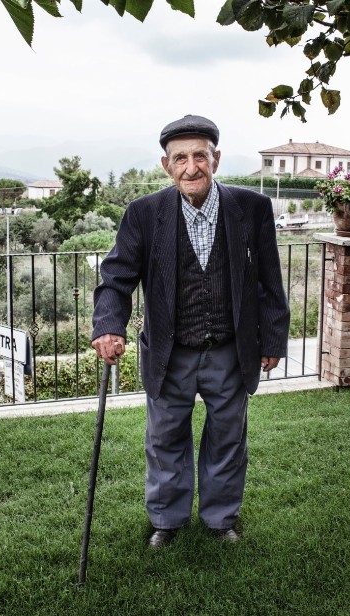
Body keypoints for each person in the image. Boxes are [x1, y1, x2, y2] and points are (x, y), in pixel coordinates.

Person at [91, 114, 290, 547]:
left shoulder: (251, 208)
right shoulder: (144, 214)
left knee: (227, 438)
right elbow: (116, 277)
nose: (190, 167)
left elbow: (269, 281)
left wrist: (272, 337)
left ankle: (220, 521)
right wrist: (109, 326)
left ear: (215, 159)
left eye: (199, 155)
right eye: (179, 158)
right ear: (167, 166)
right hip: (169, 350)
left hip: (229, 349)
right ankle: (167, 520)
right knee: (165, 439)